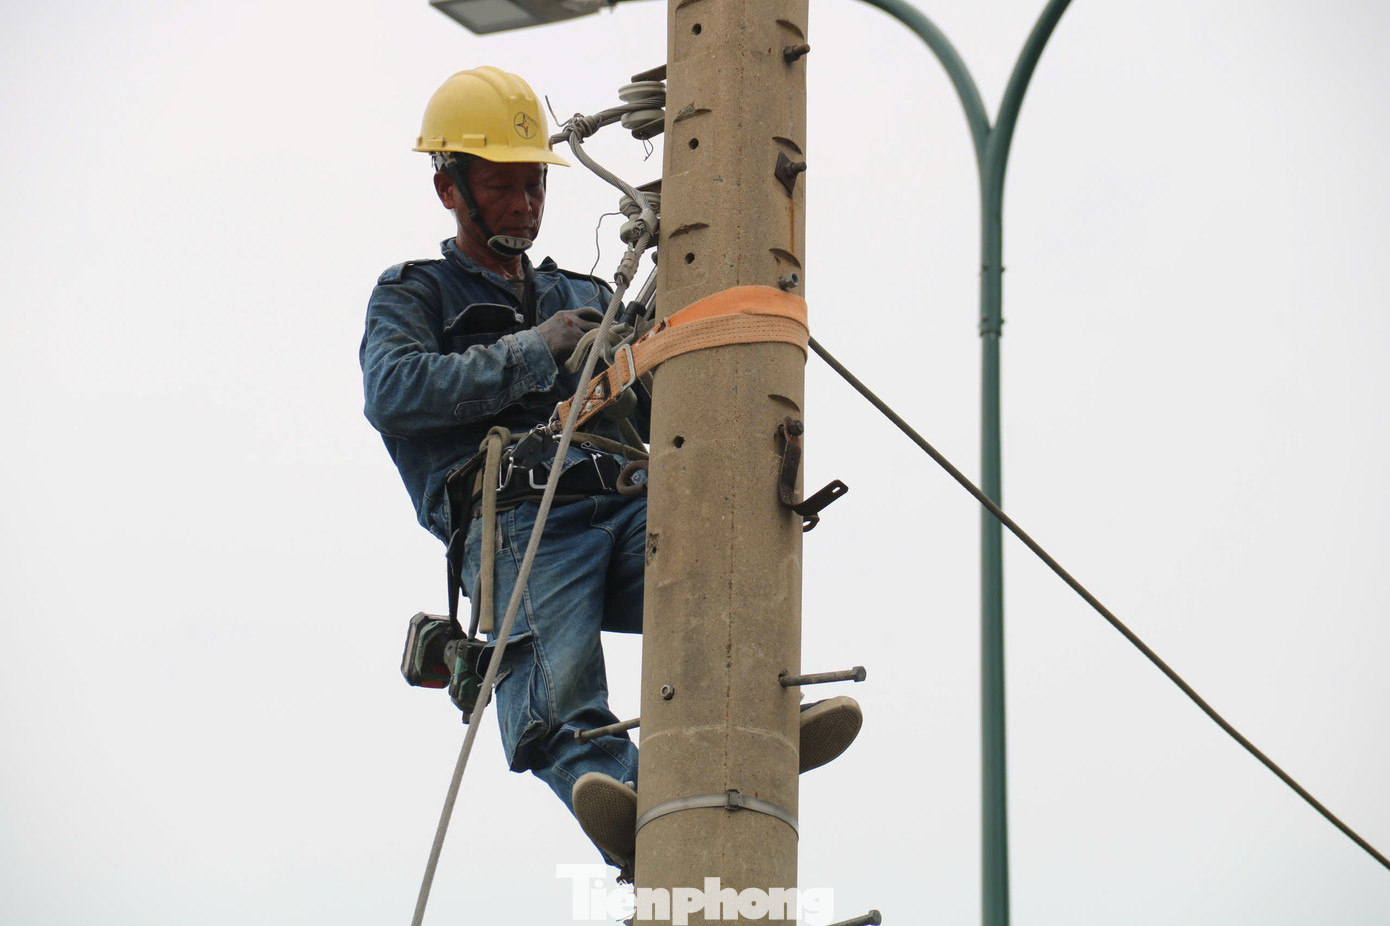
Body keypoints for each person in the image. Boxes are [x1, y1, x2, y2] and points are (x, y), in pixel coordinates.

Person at [361, 66, 860, 877]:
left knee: (719, 543)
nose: (525, 205)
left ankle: (758, 725)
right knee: (560, 701)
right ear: (450, 190)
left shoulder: (584, 290)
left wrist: (657, 348)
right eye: (503, 188)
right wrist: (535, 351)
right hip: (519, 520)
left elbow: (664, 413)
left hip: (617, 504)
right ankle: (637, 815)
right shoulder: (415, 295)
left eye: (534, 187)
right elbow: (396, 390)